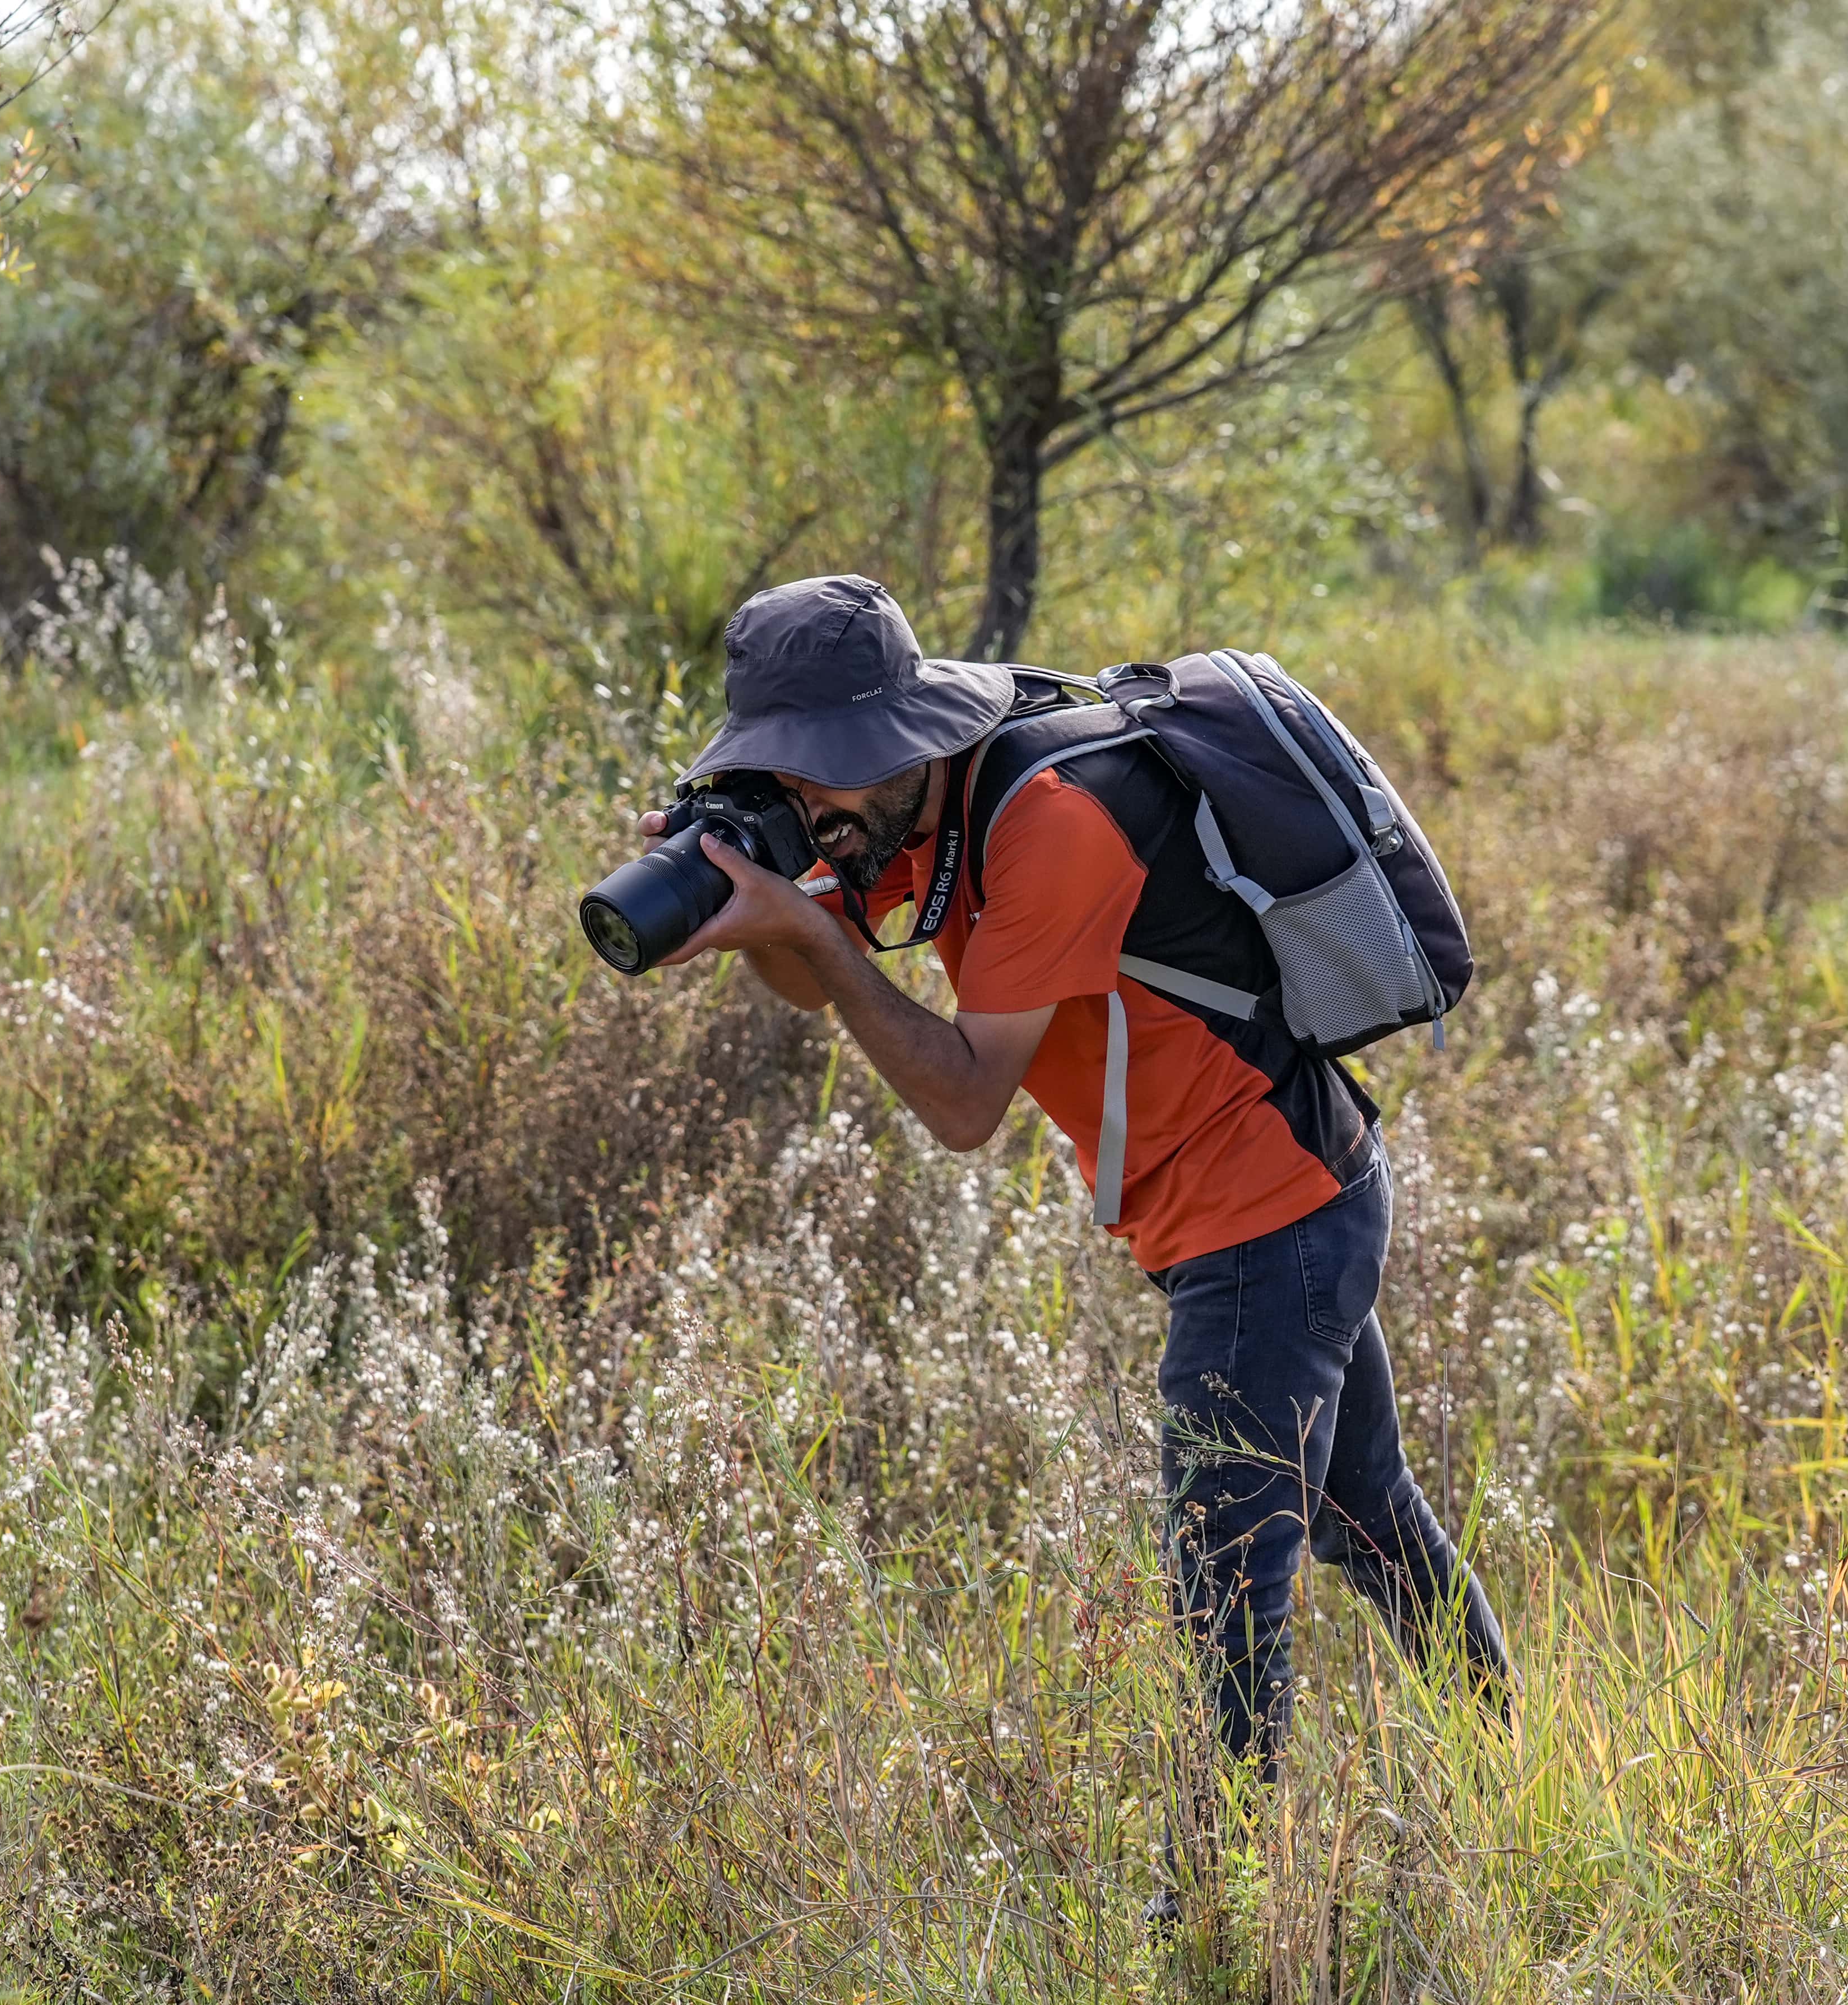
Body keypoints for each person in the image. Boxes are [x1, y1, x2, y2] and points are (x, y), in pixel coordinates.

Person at [633, 573, 1512, 1893]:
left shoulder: (1047, 819)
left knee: (1228, 1584)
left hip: (1263, 1223)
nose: (814, 806)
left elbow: (961, 1100)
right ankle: (1519, 1769)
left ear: (894, 742)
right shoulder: (911, 806)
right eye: (784, 779)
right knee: (1362, 1515)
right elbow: (818, 982)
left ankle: (1215, 1900)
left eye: (824, 781)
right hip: (1278, 1200)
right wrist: (747, 899)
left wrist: (805, 932)